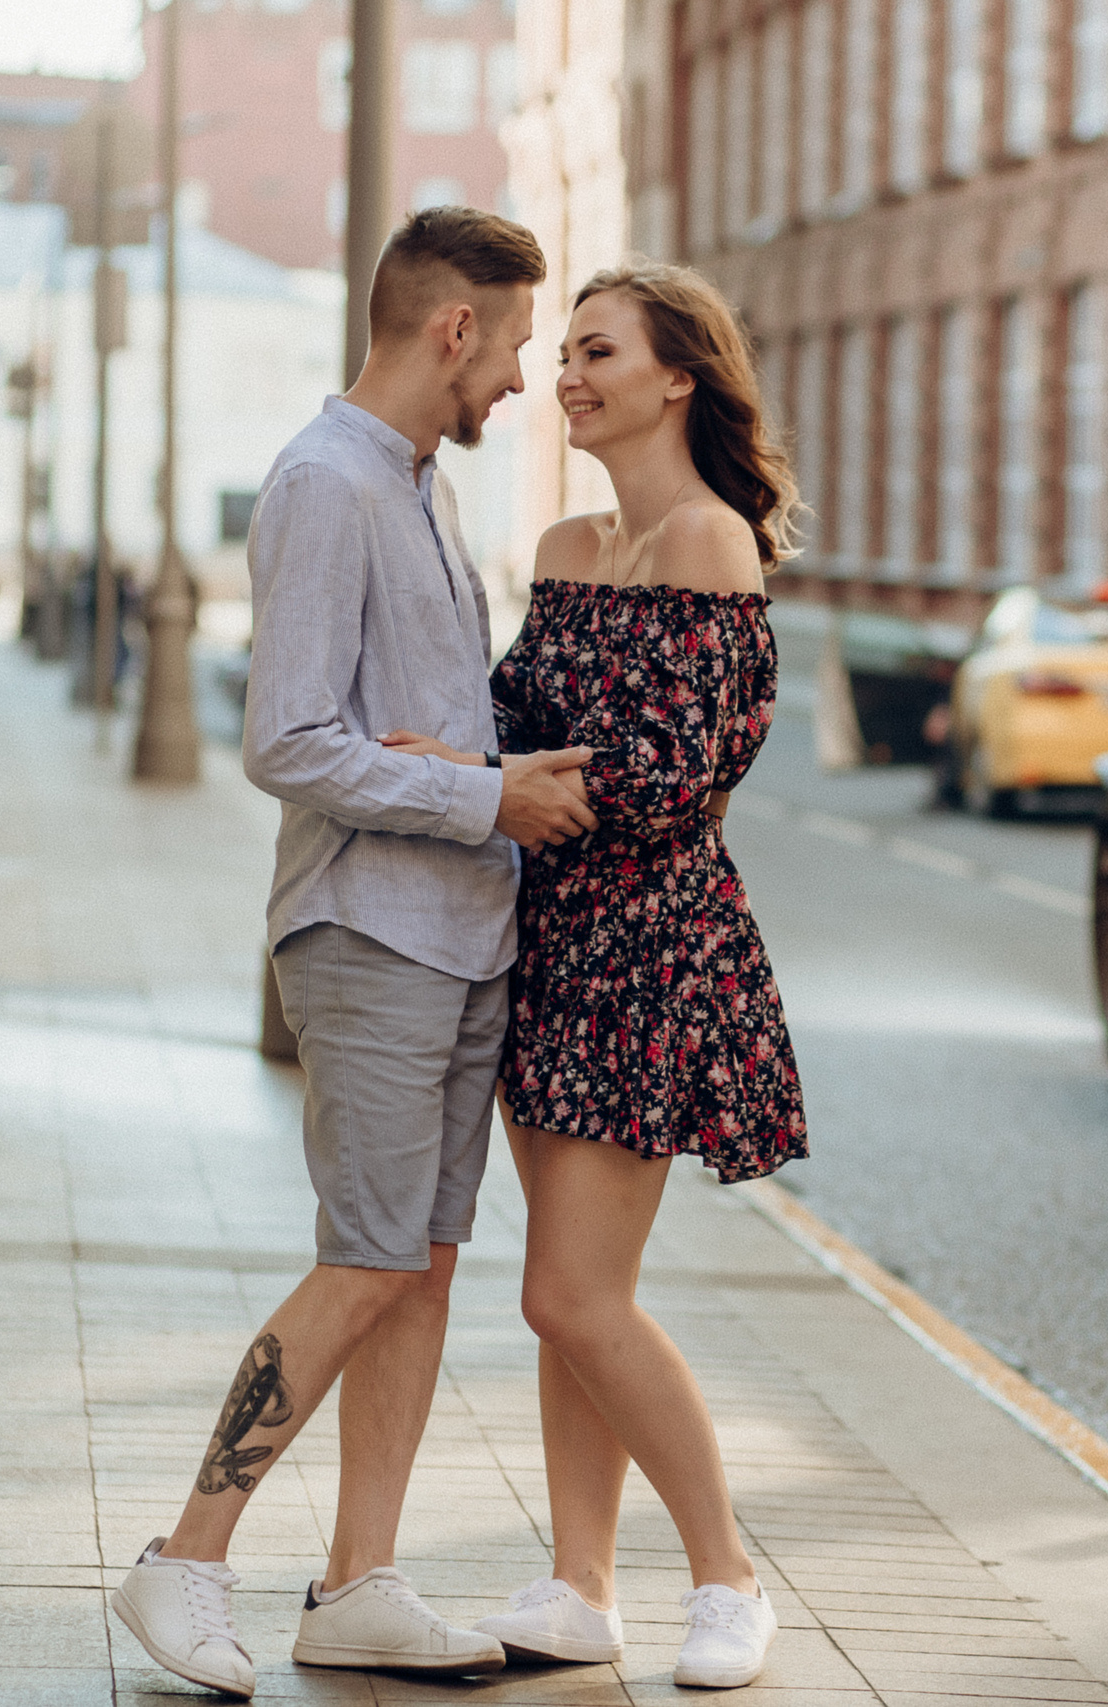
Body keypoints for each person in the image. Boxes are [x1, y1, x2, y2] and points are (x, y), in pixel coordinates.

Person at [107, 207, 598, 1701]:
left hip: (458, 935)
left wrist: (473, 768)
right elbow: (289, 741)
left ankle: (360, 1584)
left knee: (423, 1264)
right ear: (454, 329)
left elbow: (397, 719)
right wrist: (481, 791)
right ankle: (184, 1562)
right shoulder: (328, 484)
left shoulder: (417, 483)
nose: (519, 380)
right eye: (513, 344)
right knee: (369, 1258)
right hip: (368, 936)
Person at [378, 261, 808, 1689]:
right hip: (544, 943)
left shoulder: (708, 543)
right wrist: (472, 767)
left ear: (680, 375)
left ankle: (730, 1581)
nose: (566, 375)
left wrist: (501, 780)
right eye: (560, 354)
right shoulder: (567, 543)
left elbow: (684, 776)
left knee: (573, 1296)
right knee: (567, 1292)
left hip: (651, 953)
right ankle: (579, 1584)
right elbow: (502, 717)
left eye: (599, 351)